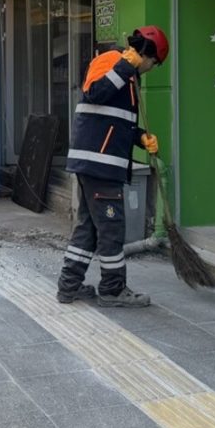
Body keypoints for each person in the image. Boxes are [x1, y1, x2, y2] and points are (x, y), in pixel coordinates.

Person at [56, 26, 167, 308]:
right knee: (111, 229)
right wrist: (123, 67)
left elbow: (114, 123)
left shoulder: (129, 77)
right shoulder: (111, 61)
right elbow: (94, 92)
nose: (151, 69)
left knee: (89, 229)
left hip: (98, 163)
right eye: (154, 63)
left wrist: (141, 137)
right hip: (99, 164)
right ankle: (113, 289)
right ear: (147, 54)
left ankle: (69, 286)